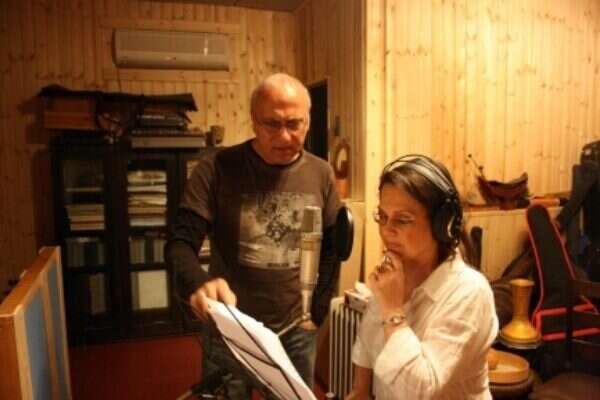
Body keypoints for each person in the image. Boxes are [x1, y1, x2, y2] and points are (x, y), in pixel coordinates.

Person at [165, 73, 342, 399]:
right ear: (253, 121)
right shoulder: (215, 168)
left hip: (296, 329)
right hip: (230, 327)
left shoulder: (322, 173)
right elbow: (180, 243)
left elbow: (332, 246)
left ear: (307, 121)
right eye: (271, 124)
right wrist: (197, 283)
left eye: (294, 124)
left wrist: (319, 307)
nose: (284, 136)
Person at [346, 154, 498, 400]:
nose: (386, 231)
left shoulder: (470, 292)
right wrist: (359, 390)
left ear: (443, 224)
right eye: (382, 217)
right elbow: (367, 342)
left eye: (402, 220)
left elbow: (418, 391)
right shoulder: (393, 275)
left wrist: (392, 310)